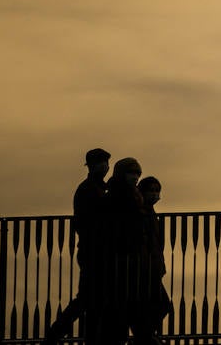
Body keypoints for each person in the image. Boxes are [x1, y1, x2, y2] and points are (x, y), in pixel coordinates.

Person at [43, 148, 111, 345]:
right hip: (93, 251)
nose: (104, 166)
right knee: (87, 298)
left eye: (105, 163)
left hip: (95, 250)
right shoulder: (88, 189)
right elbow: (83, 223)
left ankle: (74, 335)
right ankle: (55, 334)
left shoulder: (98, 187)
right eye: (100, 163)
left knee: (91, 299)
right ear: (91, 166)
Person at [91, 157, 150, 345]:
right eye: (131, 173)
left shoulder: (127, 193)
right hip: (121, 255)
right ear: (122, 174)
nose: (135, 177)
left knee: (123, 304)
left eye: (137, 174)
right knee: (121, 303)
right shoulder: (118, 195)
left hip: (128, 255)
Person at [133, 176, 170, 345]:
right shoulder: (141, 213)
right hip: (144, 269)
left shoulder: (149, 213)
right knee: (161, 304)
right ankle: (144, 337)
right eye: (151, 190)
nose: (155, 194)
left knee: (154, 305)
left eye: (157, 191)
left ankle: (144, 337)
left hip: (152, 267)